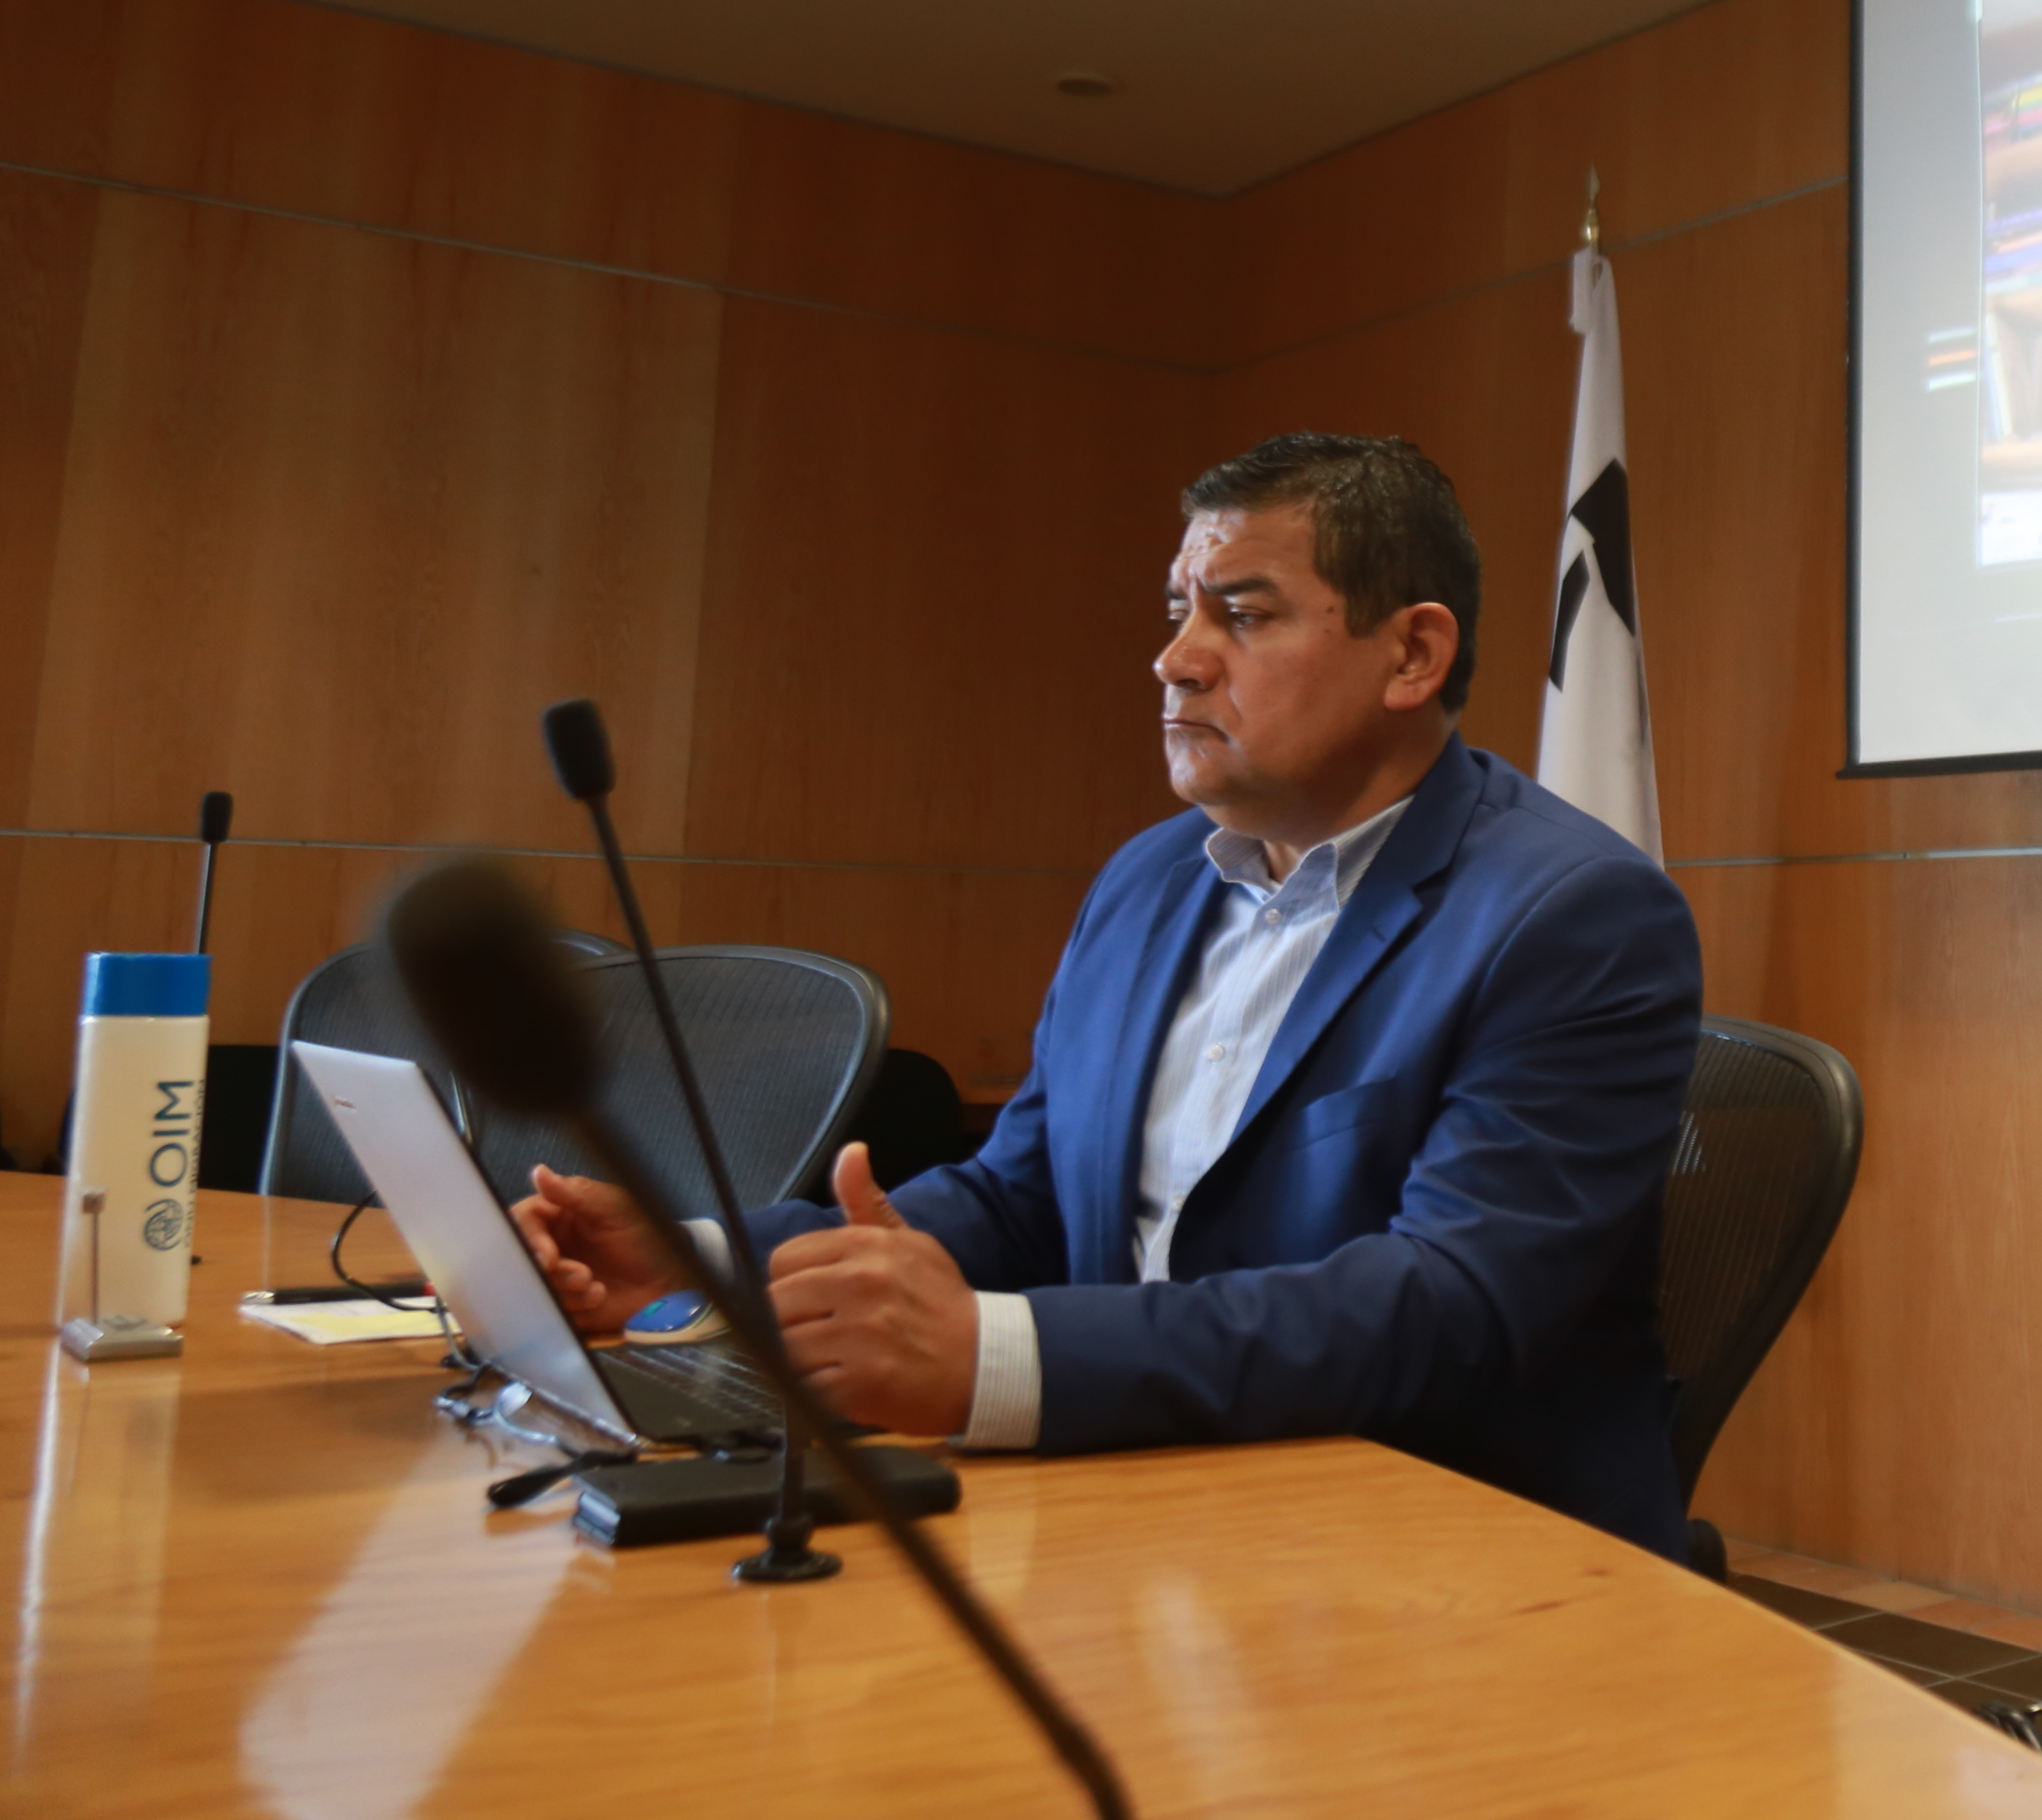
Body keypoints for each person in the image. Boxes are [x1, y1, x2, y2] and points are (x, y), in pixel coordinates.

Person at [510, 433, 1706, 1557]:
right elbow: (1022, 1198)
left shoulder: (1573, 916)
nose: (1177, 658)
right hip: (1146, 1500)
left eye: (1243, 615)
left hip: (1448, 1552)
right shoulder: (1150, 879)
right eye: (1179, 612)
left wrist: (994, 1357)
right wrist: (696, 1266)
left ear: (1412, 656)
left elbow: (1450, 1305)